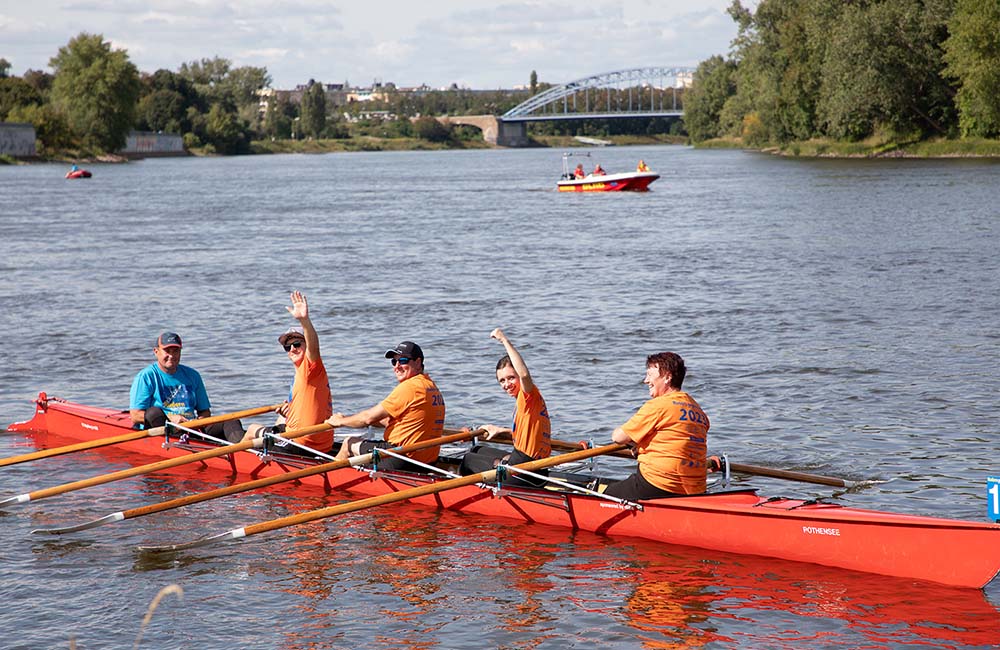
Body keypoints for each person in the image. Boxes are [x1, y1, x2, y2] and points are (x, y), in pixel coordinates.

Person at [603, 352, 709, 501]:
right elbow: (674, 438)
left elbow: (618, 437)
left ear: (667, 377)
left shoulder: (658, 406)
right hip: (695, 489)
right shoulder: (697, 410)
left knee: (605, 494)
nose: (646, 381)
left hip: (659, 484)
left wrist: (634, 442)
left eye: (650, 375)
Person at [327, 341, 445, 472]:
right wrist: (351, 419)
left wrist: (339, 422)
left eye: (403, 360)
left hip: (400, 458)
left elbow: (367, 418)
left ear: (418, 362)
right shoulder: (431, 386)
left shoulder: (409, 387)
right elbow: (401, 421)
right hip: (426, 461)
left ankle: (327, 477)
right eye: (394, 362)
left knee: (348, 443)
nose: (397, 366)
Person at [243, 291, 333, 455]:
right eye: (288, 346)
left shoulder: (311, 368)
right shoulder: (301, 374)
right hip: (317, 440)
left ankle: (231, 460)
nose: (292, 349)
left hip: (302, 442)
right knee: (279, 420)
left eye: (297, 344)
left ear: (306, 346)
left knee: (252, 430)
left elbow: (314, 347)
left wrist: (304, 320)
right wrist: (290, 409)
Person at [459, 328, 551, 486]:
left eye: (511, 378)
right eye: (502, 381)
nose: (507, 384)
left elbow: (524, 375)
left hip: (527, 472)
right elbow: (529, 435)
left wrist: (504, 340)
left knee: (468, 459)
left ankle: (466, 492)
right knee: (477, 450)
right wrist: (502, 431)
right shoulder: (525, 403)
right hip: (531, 465)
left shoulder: (528, 395)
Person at [129, 332, 244, 443]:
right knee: (153, 412)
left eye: (176, 351)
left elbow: (204, 411)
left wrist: (199, 422)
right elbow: (135, 415)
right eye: (167, 351)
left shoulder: (193, 375)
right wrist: (170, 419)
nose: (172, 356)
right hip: (164, 428)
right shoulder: (146, 377)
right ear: (156, 351)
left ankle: (243, 452)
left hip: (191, 427)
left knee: (231, 420)